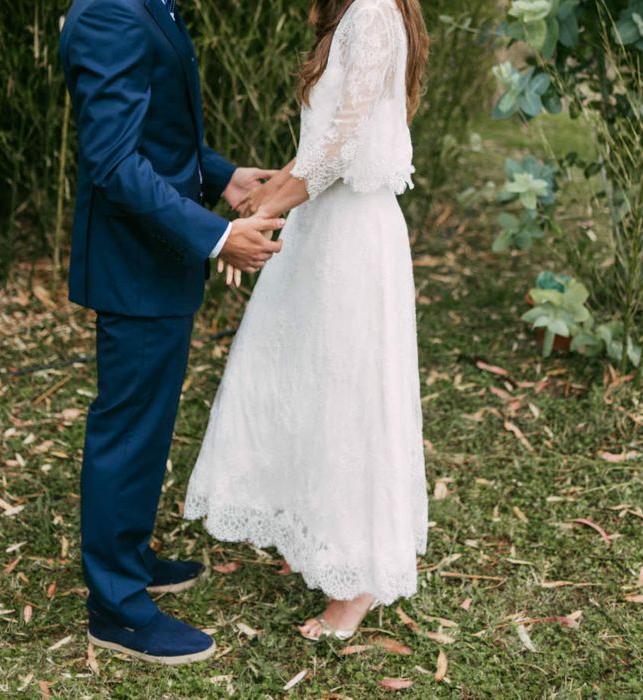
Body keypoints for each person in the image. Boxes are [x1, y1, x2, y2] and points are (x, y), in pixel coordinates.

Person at [185, 0, 430, 641]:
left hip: (353, 230)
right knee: (302, 377)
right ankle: (321, 531)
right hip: (325, 224)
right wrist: (273, 203)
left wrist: (262, 207)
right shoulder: (353, 13)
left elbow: (337, 149)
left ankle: (357, 581)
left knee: (350, 394)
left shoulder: (374, 12)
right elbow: (322, 149)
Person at [59, 0, 286, 666]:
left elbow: (158, 132)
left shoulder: (146, 3)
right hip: (135, 264)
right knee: (128, 428)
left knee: (147, 423)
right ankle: (117, 609)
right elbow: (112, 160)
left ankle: (127, 555)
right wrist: (215, 236)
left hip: (154, 263)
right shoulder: (109, 12)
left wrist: (221, 176)